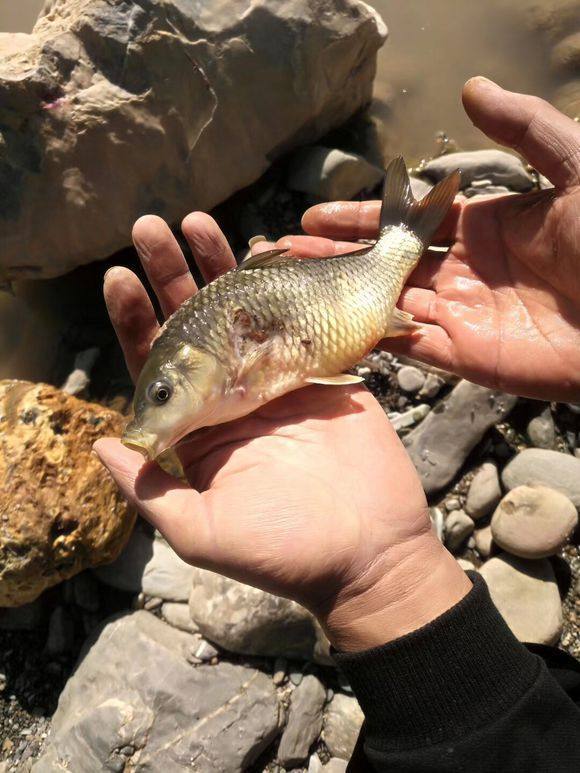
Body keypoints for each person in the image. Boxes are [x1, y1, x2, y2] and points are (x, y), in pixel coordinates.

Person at [94, 77, 580, 771]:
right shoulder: (223, 381)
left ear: (218, 356)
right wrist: (378, 582)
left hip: (353, 294)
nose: (154, 417)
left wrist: (380, 587)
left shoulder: (238, 372)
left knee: (387, 249)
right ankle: (406, 231)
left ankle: (405, 233)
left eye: (165, 390)